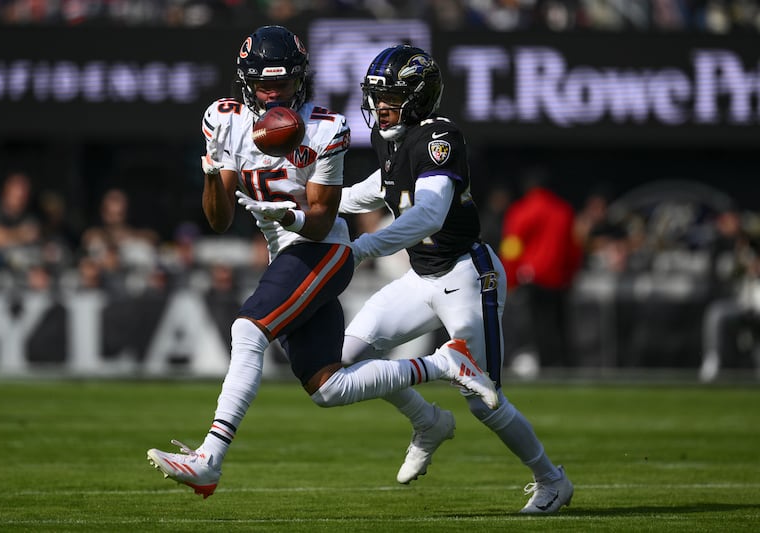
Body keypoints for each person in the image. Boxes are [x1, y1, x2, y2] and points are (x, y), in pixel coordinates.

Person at [146, 26, 497, 500]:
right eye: (267, 85)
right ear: (246, 83)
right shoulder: (223, 120)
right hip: (285, 256)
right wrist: (212, 170)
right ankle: (437, 390)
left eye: (286, 83)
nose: (276, 94)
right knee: (328, 387)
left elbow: (320, 221)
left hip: (324, 251)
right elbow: (219, 219)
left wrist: (287, 213)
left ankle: (209, 459)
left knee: (247, 331)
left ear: (302, 79)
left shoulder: (326, 127)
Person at [338, 45, 573, 514]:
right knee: (336, 361)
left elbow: (428, 213)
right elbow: (374, 191)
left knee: (483, 400)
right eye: (376, 95)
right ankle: (427, 421)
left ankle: (552, 481)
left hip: (467, 275)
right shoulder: (393, 138)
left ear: (419, 97)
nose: (379, 105)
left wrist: (363, 248)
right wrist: (304, 205)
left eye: (390, 96)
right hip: (420, 277)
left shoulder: (440, 136)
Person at [499, 168, 583, 369]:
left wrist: (508, 280)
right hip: (558, 279)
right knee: (559, 327)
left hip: (531, 279)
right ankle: (564, 366)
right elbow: (573, 249)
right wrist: (570, 276)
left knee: (535, 328)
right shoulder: (564, 211)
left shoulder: (521, 210)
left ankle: (544, 367)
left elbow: (512, 248)